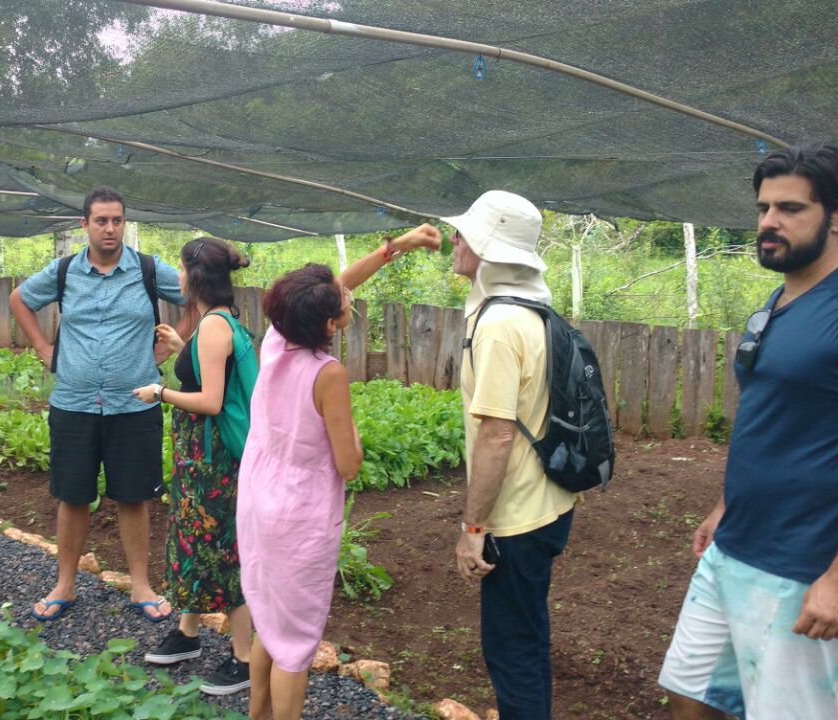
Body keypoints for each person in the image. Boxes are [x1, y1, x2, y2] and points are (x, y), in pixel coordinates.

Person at [659, 144, 838, 719]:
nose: (768, 223)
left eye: (789, 208)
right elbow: (777, 414)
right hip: (736, 546)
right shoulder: (779, 299)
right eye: (763, 208)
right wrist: (724, 504)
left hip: (804, 566)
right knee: (690, 696)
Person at [238, 225, 440, 720]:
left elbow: (337, 288)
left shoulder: (276, 340)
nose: (347, 297)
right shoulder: (328, 373)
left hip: (259, 499)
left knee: (270, 621)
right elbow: (348, 463)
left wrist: (394, 248)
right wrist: (357, 442)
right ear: (329, 325)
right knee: (296, 646)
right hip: (298, 516)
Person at [10, 186, 188, 623]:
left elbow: (198, 296)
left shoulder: (147, 269)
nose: (110, 229)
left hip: (135, 402)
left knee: (134, 497)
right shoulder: (65, 271)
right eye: (101, 220)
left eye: (117, 220)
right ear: (84, 225)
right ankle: (65, 583)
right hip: (74, 401)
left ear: (125, 223)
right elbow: (19, 300)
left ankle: (141, 585)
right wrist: (41, 348)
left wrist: (172, 345)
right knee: (72, 496)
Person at [446, 190, 577, 719]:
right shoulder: (534, 312)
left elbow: (497, 435)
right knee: (527, 638)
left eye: (464, 234)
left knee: (511, 652)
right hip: (549, 500)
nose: (454, 241)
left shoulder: (498, 325)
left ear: (486, 250)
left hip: (516, 520)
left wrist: (473, 529)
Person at [132, 237, 256, 696]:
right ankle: (187, 635)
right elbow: (209, 372)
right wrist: (184, 346)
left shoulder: (216, 329)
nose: (178, 277)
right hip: (201, 460)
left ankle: (244, 659)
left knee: (221, 552)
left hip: (214, 464)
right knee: (193, 541)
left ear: (195, 276)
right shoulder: (213, 324)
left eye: (182, 270)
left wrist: (158, 392)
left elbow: (210, 400)